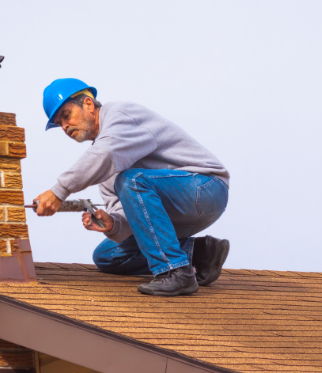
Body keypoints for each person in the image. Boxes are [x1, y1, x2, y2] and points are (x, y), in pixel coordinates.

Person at [34, 78, 230, 296]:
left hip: (206, 188)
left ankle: (175, 272)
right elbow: (130, 216)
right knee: (108, 255)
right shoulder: (105, 165)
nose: (64, 126)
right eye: (59, 124)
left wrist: (58, 191)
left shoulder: (119, 114)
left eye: (66, 115)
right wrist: (113, 225)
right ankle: (200, 253)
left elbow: (106, 153)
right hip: (176, 211)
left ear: (88, 104)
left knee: (132, 180)